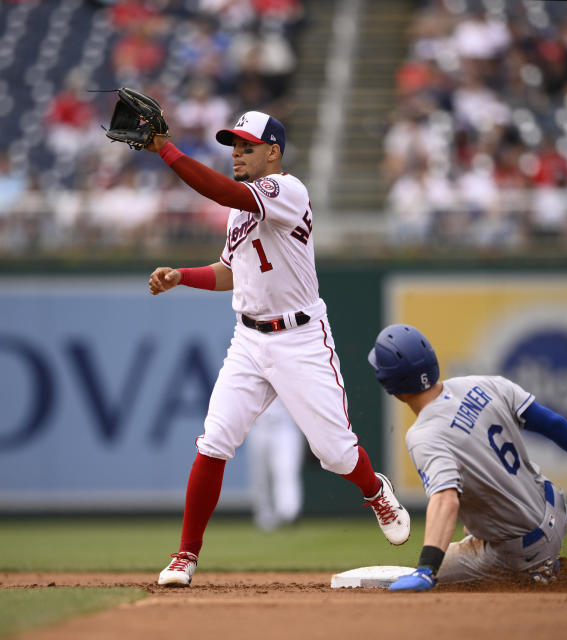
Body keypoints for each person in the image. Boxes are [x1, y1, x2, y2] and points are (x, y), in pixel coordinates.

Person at [143, 110, 411, 587]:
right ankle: (185, 554)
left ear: (273, 151)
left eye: (247, 145)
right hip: (248, 338)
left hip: (300, 337)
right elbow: (230, 274)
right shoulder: (240, 209)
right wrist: (183, 276)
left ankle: (374, 490)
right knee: (214, 440)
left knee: (335, 453)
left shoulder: (286, 190)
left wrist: (166, 149)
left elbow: (221, 190)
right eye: (233, 145)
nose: (237, 153)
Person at [366, 324, 567, 592]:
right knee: (471, 532)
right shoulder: (481, 383)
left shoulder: (424, 435)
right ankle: (533, 563)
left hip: (522, 547)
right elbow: (552, 423)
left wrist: (427, 568)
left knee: (438, 575)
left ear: (389, 384)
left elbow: (446, 499)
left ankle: (546, 573)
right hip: (554, 506)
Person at [247, 398, 304, 531]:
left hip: (285, 426)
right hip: (258, 426)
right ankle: (264, 515)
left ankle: (288, 513)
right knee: (260, 474)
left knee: (286, 470)